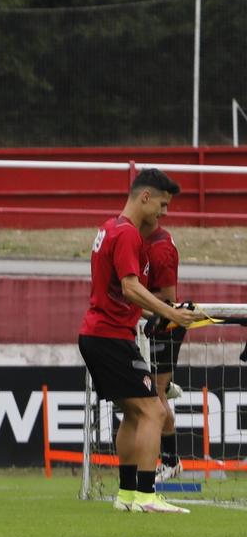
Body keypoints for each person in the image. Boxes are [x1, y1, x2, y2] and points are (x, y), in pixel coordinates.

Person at [79, 169, 198, 513]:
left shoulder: (108, 227)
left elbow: (118, 292)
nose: (164, 213)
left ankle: (127, 495)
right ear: (145, 197)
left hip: (99, 333)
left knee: (133, 414)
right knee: (153, 411)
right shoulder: (129, 234)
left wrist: (152, 315)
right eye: (162, 204)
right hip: (109, 336)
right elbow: (131, 287)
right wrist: (171, 313)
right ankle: (147, 495)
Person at [140, 221, 187, 480]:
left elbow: (168, 300)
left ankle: (170, 461)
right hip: (150, 325)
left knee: (155, 397)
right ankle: (167, 385)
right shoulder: (144, 240)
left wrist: (132, 296)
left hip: (164, 328)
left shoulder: (160, 249)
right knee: (154, 395)